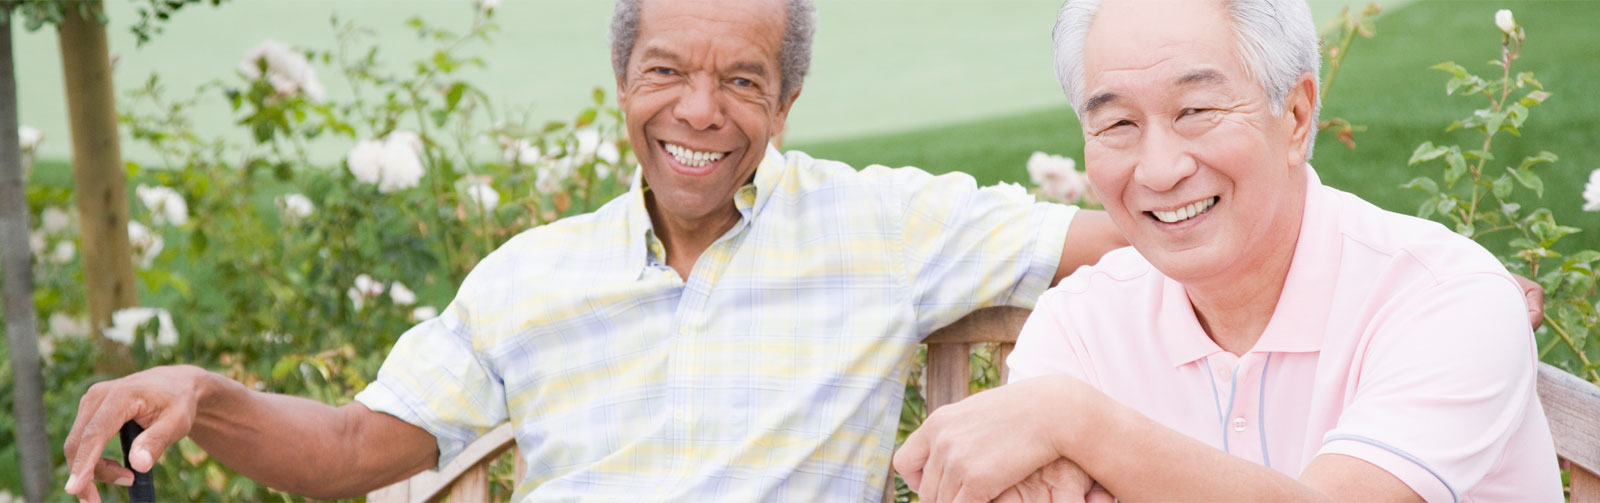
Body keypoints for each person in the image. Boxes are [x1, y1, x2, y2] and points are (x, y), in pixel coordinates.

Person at [61, 0, 1133, 501]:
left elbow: (1141, 236)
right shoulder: (532, 273)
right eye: (666, 72)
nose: (699, 113)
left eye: (743, 82)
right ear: (623, 84)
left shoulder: (885, 225)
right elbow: (351, 449)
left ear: (788, 99)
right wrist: (203, 390)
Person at [891, 0, 1563, 501]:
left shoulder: (1446, 297)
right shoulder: (1081, 323)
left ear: (1297, 117)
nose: (1158, 169)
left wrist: (1078, 422)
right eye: (1118, 123)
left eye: (1197, 111)